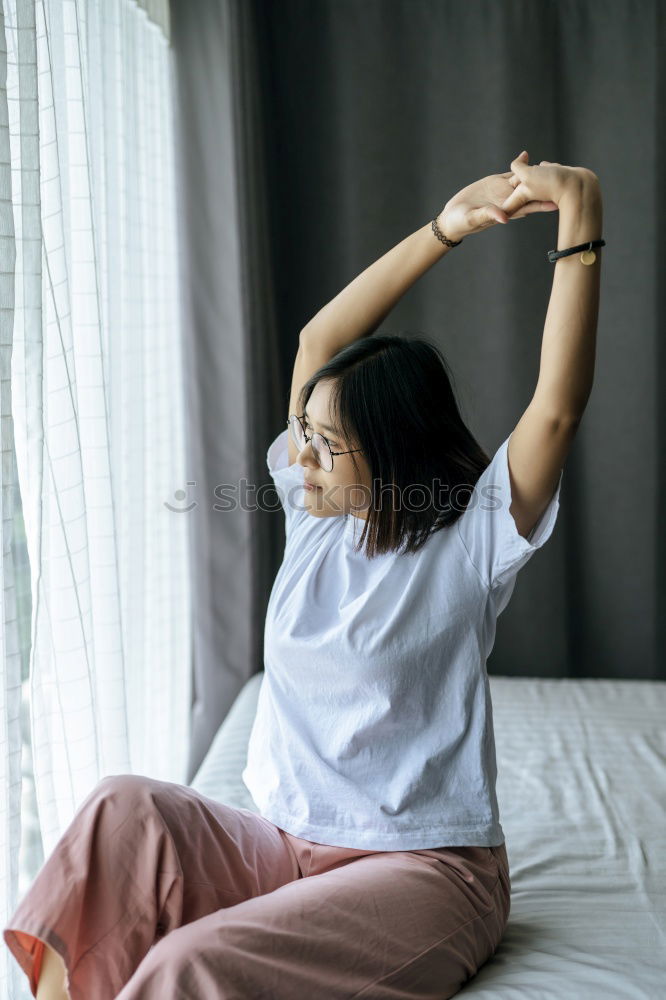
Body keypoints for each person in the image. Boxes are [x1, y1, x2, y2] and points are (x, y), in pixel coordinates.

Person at [3, 152, 603, 999]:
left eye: (324, 443)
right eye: (304, 436)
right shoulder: (317, 520)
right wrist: (446, 227)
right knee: (118, 810)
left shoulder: (475, 538)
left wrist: (580, 213)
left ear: (390, 452)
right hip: (285, 847)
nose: (301, 457)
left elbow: (557, 406)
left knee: (187, 965)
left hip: (426, 871)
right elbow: (320, 343)